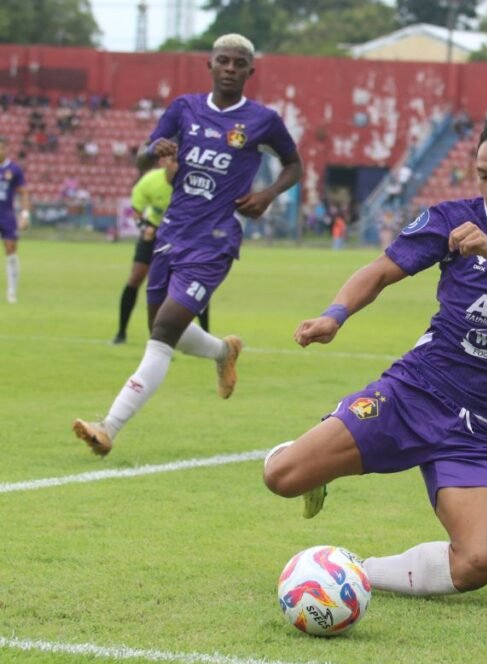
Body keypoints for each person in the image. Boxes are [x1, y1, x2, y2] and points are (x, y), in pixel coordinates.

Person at [262, 111, 487, 598]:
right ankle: (317, 467)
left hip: (478, 429)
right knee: (281, 477)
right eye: (484, 176)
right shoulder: (451, 219)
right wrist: (335, 315)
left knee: (480, 561)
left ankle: (356, 572)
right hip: (415, 391)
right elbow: (381, 270)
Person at [72, 33, 303, 457]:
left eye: (239, 63)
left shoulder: (262, 120)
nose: (230, 68)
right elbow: (143, 159)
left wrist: (268, 195)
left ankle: (108, 427)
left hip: (214, 240)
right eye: (223, 61)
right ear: (210, 66)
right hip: (171, 233)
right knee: (166, 333)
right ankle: (223, 350)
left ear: (251, 71)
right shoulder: (184, 108)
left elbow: (294, 164)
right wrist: (155, 151)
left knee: (162, 334)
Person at [113, 154, 210, 344]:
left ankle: (206, 335)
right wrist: (144, 228)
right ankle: (121, 333)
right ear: (166, 162)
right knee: (135, 278)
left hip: (185, 237)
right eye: (174, 160)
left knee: (196, 285)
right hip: (156, 233)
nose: (177, 165)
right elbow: (137, 210)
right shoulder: (150, 181)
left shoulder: (195, 183)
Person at [0, 137, 30, 304]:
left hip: (6, 216)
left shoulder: (14, 170)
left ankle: (12, 291)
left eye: (1, 148)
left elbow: (24, 192)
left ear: (6, 149)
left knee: (11, 251)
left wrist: (25, 214)